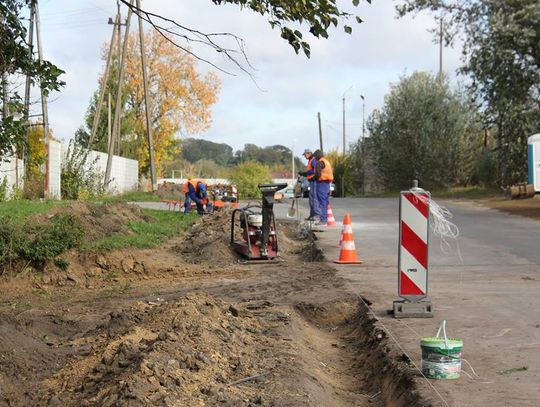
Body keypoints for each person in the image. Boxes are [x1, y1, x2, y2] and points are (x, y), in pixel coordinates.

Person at [298, 148, 320, 221]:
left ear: (309, 153)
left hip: (314, 181)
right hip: (311, 181)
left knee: (314, 198)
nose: (304, 156)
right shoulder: (310, 160)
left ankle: (316, 214)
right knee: (311, 198)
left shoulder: (313, 160)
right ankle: (312, 214)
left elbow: (314, 170)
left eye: (305, 154)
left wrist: (304, 173)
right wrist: (304, 174)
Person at [313, 149, 333, 226]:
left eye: (315, 157)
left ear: (317, 156)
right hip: (327, 183)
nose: (314, 158)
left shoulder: (319, 163)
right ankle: (326, 219)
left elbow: (318, 174)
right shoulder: (326, 162)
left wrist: (314, 178)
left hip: (321, 183)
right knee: (325, 201)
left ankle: (323, 220)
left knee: (322, 202)